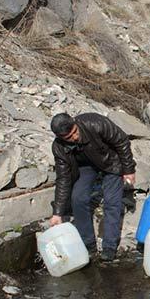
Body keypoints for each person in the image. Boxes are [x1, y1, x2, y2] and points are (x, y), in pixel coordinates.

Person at [49, 112, 136, 261]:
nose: (75, 137)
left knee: (111, 201)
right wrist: (58, 212)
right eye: (69, 138)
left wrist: (128, 170)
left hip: (111, 162)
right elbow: (63, 178)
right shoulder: (59, 147)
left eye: (75, 132)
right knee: (78, 198)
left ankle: (109, 246)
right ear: (60, 138)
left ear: (75, 122)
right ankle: (88, 243)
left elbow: (122, 141)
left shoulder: (95, 123)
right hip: (85, 166)